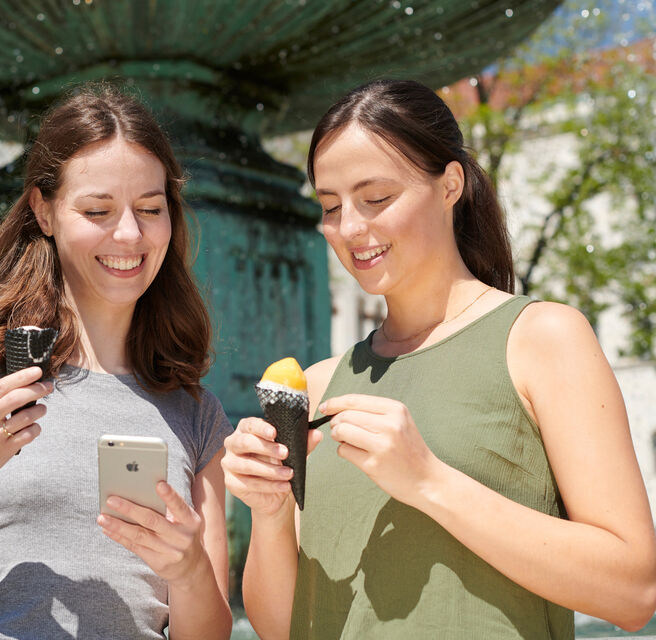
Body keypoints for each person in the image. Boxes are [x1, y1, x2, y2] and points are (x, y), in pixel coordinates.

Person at [222, 79, 656, 639]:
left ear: (450, 184)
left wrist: (428, 481)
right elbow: (282, 627)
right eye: (330, 206)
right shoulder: (316, 385)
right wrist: (270, 510)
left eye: (375, 198)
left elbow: (633, 594)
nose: (349, 228)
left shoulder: (543, 338)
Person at [0, 85, 234, 640]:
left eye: (150, 209)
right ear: (43, 211)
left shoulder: (195, 412)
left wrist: (190, 571)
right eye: (98, 210)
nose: (129, 234)